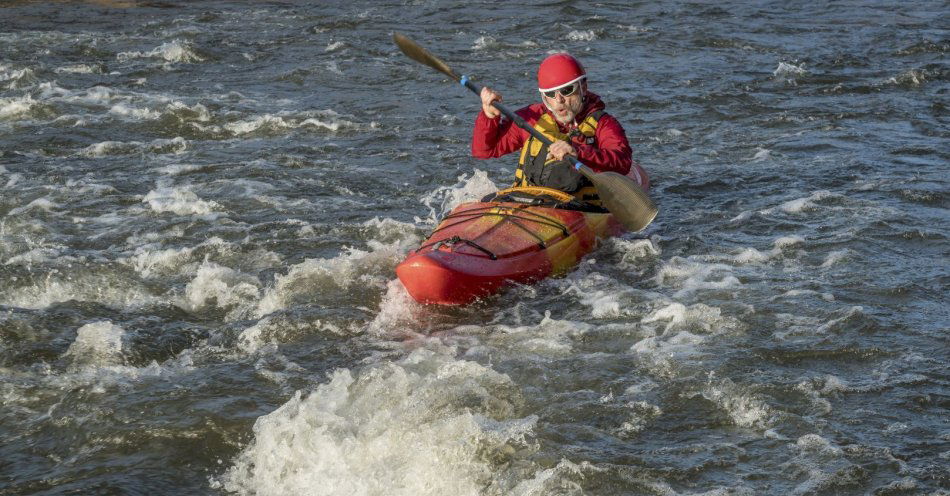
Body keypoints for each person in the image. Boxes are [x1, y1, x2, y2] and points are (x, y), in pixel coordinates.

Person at [471, 53, 649, 206]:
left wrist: (578, 152)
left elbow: (623, 162)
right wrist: (489, 116)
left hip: (581, 208)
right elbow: (484, 151)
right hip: (528, 202)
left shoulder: (604, 124)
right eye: (551, 94)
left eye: (567, 90)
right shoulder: (530, 118)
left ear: (583, 88)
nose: (559, 100)